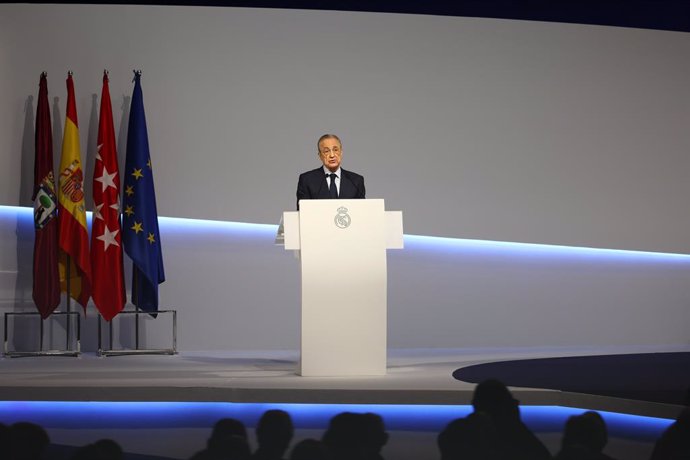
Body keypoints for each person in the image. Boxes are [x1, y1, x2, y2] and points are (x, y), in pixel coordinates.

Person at [296, 134, 365, 209]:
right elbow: (303, 213)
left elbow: (361, 212)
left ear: (341, 152)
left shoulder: (356, 181)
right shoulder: (307, 180)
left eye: (335, 150)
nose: (332, 155)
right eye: (326, 151)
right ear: (320, 156)